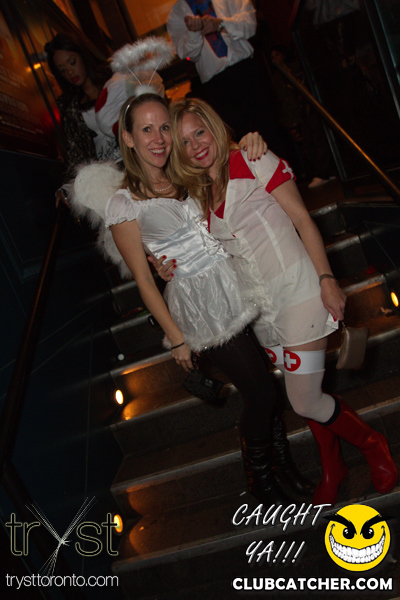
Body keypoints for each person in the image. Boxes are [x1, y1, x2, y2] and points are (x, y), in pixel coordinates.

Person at [154, 97, 398, 506]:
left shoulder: (254, 158)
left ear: (215, 127)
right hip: (261, 312)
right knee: (306, 395)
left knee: (304, 398)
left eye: (199, 132)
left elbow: (302, 218)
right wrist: (168, 269)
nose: (196, 145)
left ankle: (374, 444)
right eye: (184, 142)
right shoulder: (198, 196)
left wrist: (327, 279)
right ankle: (333, 466)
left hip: (298, 290)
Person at [90, 92, 314, 506]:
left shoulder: (185, 173)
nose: (159, 138)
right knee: (262, 392)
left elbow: (223, 160)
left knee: (262, 387)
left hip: (238, 282)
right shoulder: (124, 204)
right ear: (128, 139)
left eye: (164, 127)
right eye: (146, 129)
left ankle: (285, 468)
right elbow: (144, 281)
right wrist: (177, 339)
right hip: (201, 304)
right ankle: (260, 481)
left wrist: (249, 140)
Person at [167, 0, 286, 155]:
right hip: (215, 83)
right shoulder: (176, 14)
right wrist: (194, 32)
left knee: (269, 127)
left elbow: (250, 25)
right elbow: (188, 55)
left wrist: (221, 24)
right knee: (235, 138)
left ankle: (282, 168)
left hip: (246, 68)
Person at [45, 33, 164, 177]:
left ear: (82, 56)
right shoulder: (70, 107)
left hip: (138, 159)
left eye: (72, 62)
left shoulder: (116, 83)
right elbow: (77, 153)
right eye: (63, 70)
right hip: (108, 173)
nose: (70, 72)